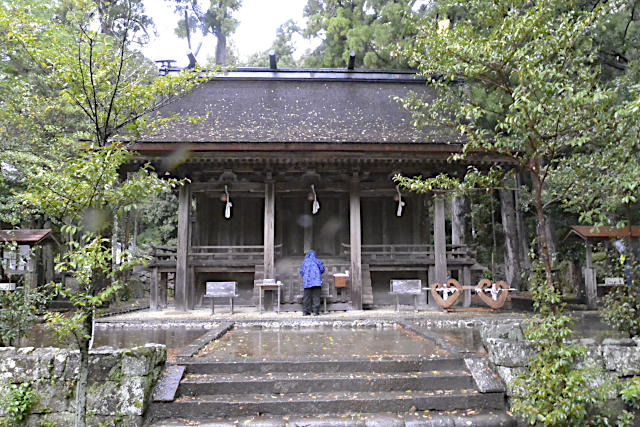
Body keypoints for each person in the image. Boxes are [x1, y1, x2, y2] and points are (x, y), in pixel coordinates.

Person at [299, 250, 325, 316]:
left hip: (307, 282)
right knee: (316, 297)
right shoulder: (318, 261)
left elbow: (301, 271)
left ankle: (306, 312)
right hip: (317, 282)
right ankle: (316, 312)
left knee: (306, 297)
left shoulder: (304, 262)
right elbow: (322, 269)